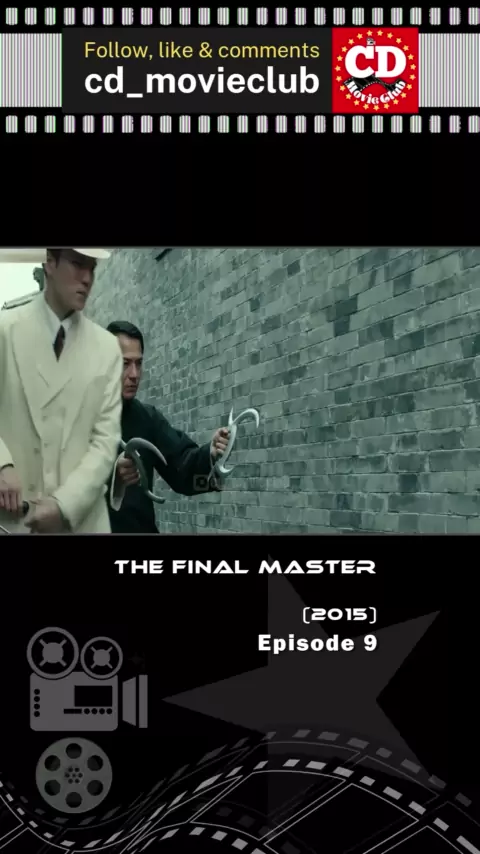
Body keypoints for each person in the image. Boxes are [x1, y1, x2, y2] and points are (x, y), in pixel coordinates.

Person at [0, 248, 124, 534]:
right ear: (49, 262)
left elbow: (105, 441)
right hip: (14, 521)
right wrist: (2, 465)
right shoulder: (5, 332)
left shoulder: (107, 349)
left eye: (92, 268)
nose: (87, 278)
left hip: (82, 523)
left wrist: (64, 505)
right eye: (78, 264)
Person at [105, 321, 230, 534]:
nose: (134, 374)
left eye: (138, 363)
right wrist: (113, 479)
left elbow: (182, 472)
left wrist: (210, 454)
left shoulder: (146, 418)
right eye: (125, 363)